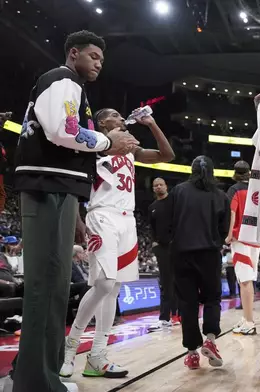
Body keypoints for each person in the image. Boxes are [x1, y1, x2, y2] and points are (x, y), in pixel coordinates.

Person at [6, 30, 138, 392]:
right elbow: (63, 130)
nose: (98, 63)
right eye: (93, 56)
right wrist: (110, 142)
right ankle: (38, 381)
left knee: (49, 287)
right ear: (73, 53)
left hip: (57, 190)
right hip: (49, 188)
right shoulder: (64, 79)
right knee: (48, 287)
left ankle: (28, 372)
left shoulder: (67, 85)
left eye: (102, 59)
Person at [60, 107, 174, 379]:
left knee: (114, 290)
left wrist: (152, 124)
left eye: (124, 117)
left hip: (127, 221)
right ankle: (70, 346)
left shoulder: (131, 151)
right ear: (102, 123)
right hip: (102, 216)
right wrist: (78, 221)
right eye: (116, 116)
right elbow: (76, 185)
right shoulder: (92, 146)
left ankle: (97, 357)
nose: (123, 119)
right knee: (105, 284)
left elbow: (167, 155)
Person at [167, 156, 229, 370]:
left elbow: (169, 221)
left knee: (187, 303)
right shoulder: (220, 195)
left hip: (182, 253)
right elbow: (224, 230)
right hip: (209, 254)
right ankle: (210, 339)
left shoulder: (179, 191)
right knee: (212, 299)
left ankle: (192, 353)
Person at [225, 160, 260, 335]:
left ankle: (249, 321)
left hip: (241, 239)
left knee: (244, 281)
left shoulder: (234, 189)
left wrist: (229, 234)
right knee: (246, 280)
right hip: (257, 239)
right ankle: (246, 317)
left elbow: (232, 212)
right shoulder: (258, 188)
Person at [148, 177, 180, 330]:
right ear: (153, 189)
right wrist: (154, 243)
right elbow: (152, 227)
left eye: (161, 184)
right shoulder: (152, 206)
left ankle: (180, 314)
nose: (159, 187)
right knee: (166, 283)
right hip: (161, 248)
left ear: (166, 186)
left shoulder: (175, 202)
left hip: (178, 246)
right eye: (156, 185)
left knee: (180, 281)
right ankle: (164, 317)